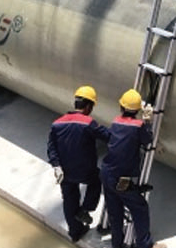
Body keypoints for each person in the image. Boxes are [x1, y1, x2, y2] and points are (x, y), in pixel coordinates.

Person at [100, 89, 165, 248]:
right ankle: (145, 244)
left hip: (106, 173)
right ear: (137, 110)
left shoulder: (116, 122)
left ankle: (117, 245)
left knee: (115, 213)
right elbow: (147, 140)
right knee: (140, 208)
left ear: (121, 107)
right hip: (121, 178)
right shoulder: (138, 125)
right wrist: (147, 121)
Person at [47, 86, 111, 242]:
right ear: (88, 106)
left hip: (65, 171)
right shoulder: (88, 123)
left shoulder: (57, 123)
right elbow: (108, 136)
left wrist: (56, 166)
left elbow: (51, 148)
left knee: (69, 199)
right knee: (96, 180)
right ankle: (86, 209)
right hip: (85, 170)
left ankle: (76, 232)